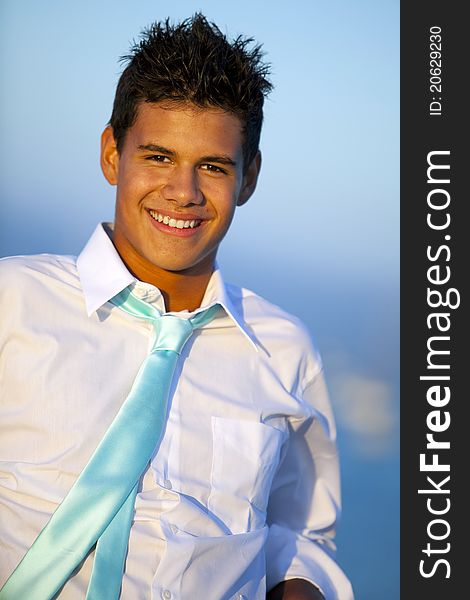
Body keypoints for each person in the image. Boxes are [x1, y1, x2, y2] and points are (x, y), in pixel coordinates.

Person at [0, 14, 353, 600]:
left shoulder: (284, 350)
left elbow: (300, 535)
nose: (183, 192)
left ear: (249, 177)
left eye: (212, 166)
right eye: (158, 157)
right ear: (113, 153)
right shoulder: (12, 301)